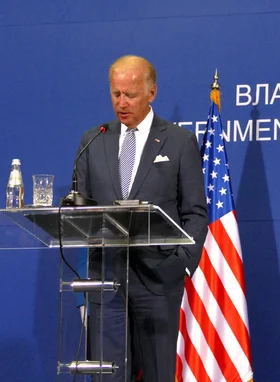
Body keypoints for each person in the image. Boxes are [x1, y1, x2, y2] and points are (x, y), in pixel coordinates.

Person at [75, 55, 208, 381]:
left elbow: (196, 213)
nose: (122, 103)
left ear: (151, 92)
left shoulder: (178, 142)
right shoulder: (94, 141)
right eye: (115, 94)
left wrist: (180, 265)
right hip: (107, 281)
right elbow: (81, 211)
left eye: (130, 95)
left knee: (158, 375)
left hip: (159, 283)